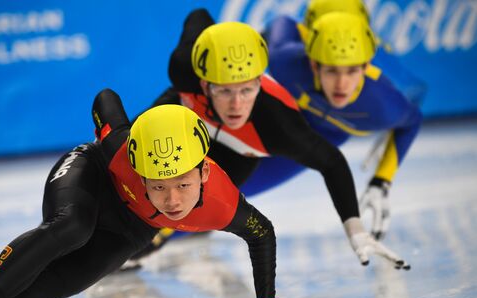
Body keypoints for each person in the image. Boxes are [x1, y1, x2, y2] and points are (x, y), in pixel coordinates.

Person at [0, 89, 320, 298]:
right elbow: (105, 98)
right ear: (140, 172)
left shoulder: (223, 202)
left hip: (131, 226)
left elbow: (262, 232)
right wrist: (117, 131)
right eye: (159, 186)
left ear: (203, 172)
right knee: (72, 227)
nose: (172, 201)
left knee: (55, 287)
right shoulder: (120, 148)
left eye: (183, 185)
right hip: (92, 176)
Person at [116, 8, 411, 263]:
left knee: (175, 217)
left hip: (237, 154)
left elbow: (331, 161)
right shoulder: (185, 68)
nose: (236, 105)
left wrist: (355, 228)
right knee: (124, 166)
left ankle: (174, 233)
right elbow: (198, 16)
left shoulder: (278, 124)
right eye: (224, 90)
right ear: (204, 84)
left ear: (259, 83)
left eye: (246, 90)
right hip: (179, 118)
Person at [262, 10, 423, 240]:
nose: (341, 84)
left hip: (326, 134)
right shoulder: (285, 62)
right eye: (331, 70)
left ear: (366, 66)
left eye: (352, 71)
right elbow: (281, 22)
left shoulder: (383, 103)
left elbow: (412, 120)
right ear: (314, 65)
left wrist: (381, 181)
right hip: (290, 118)